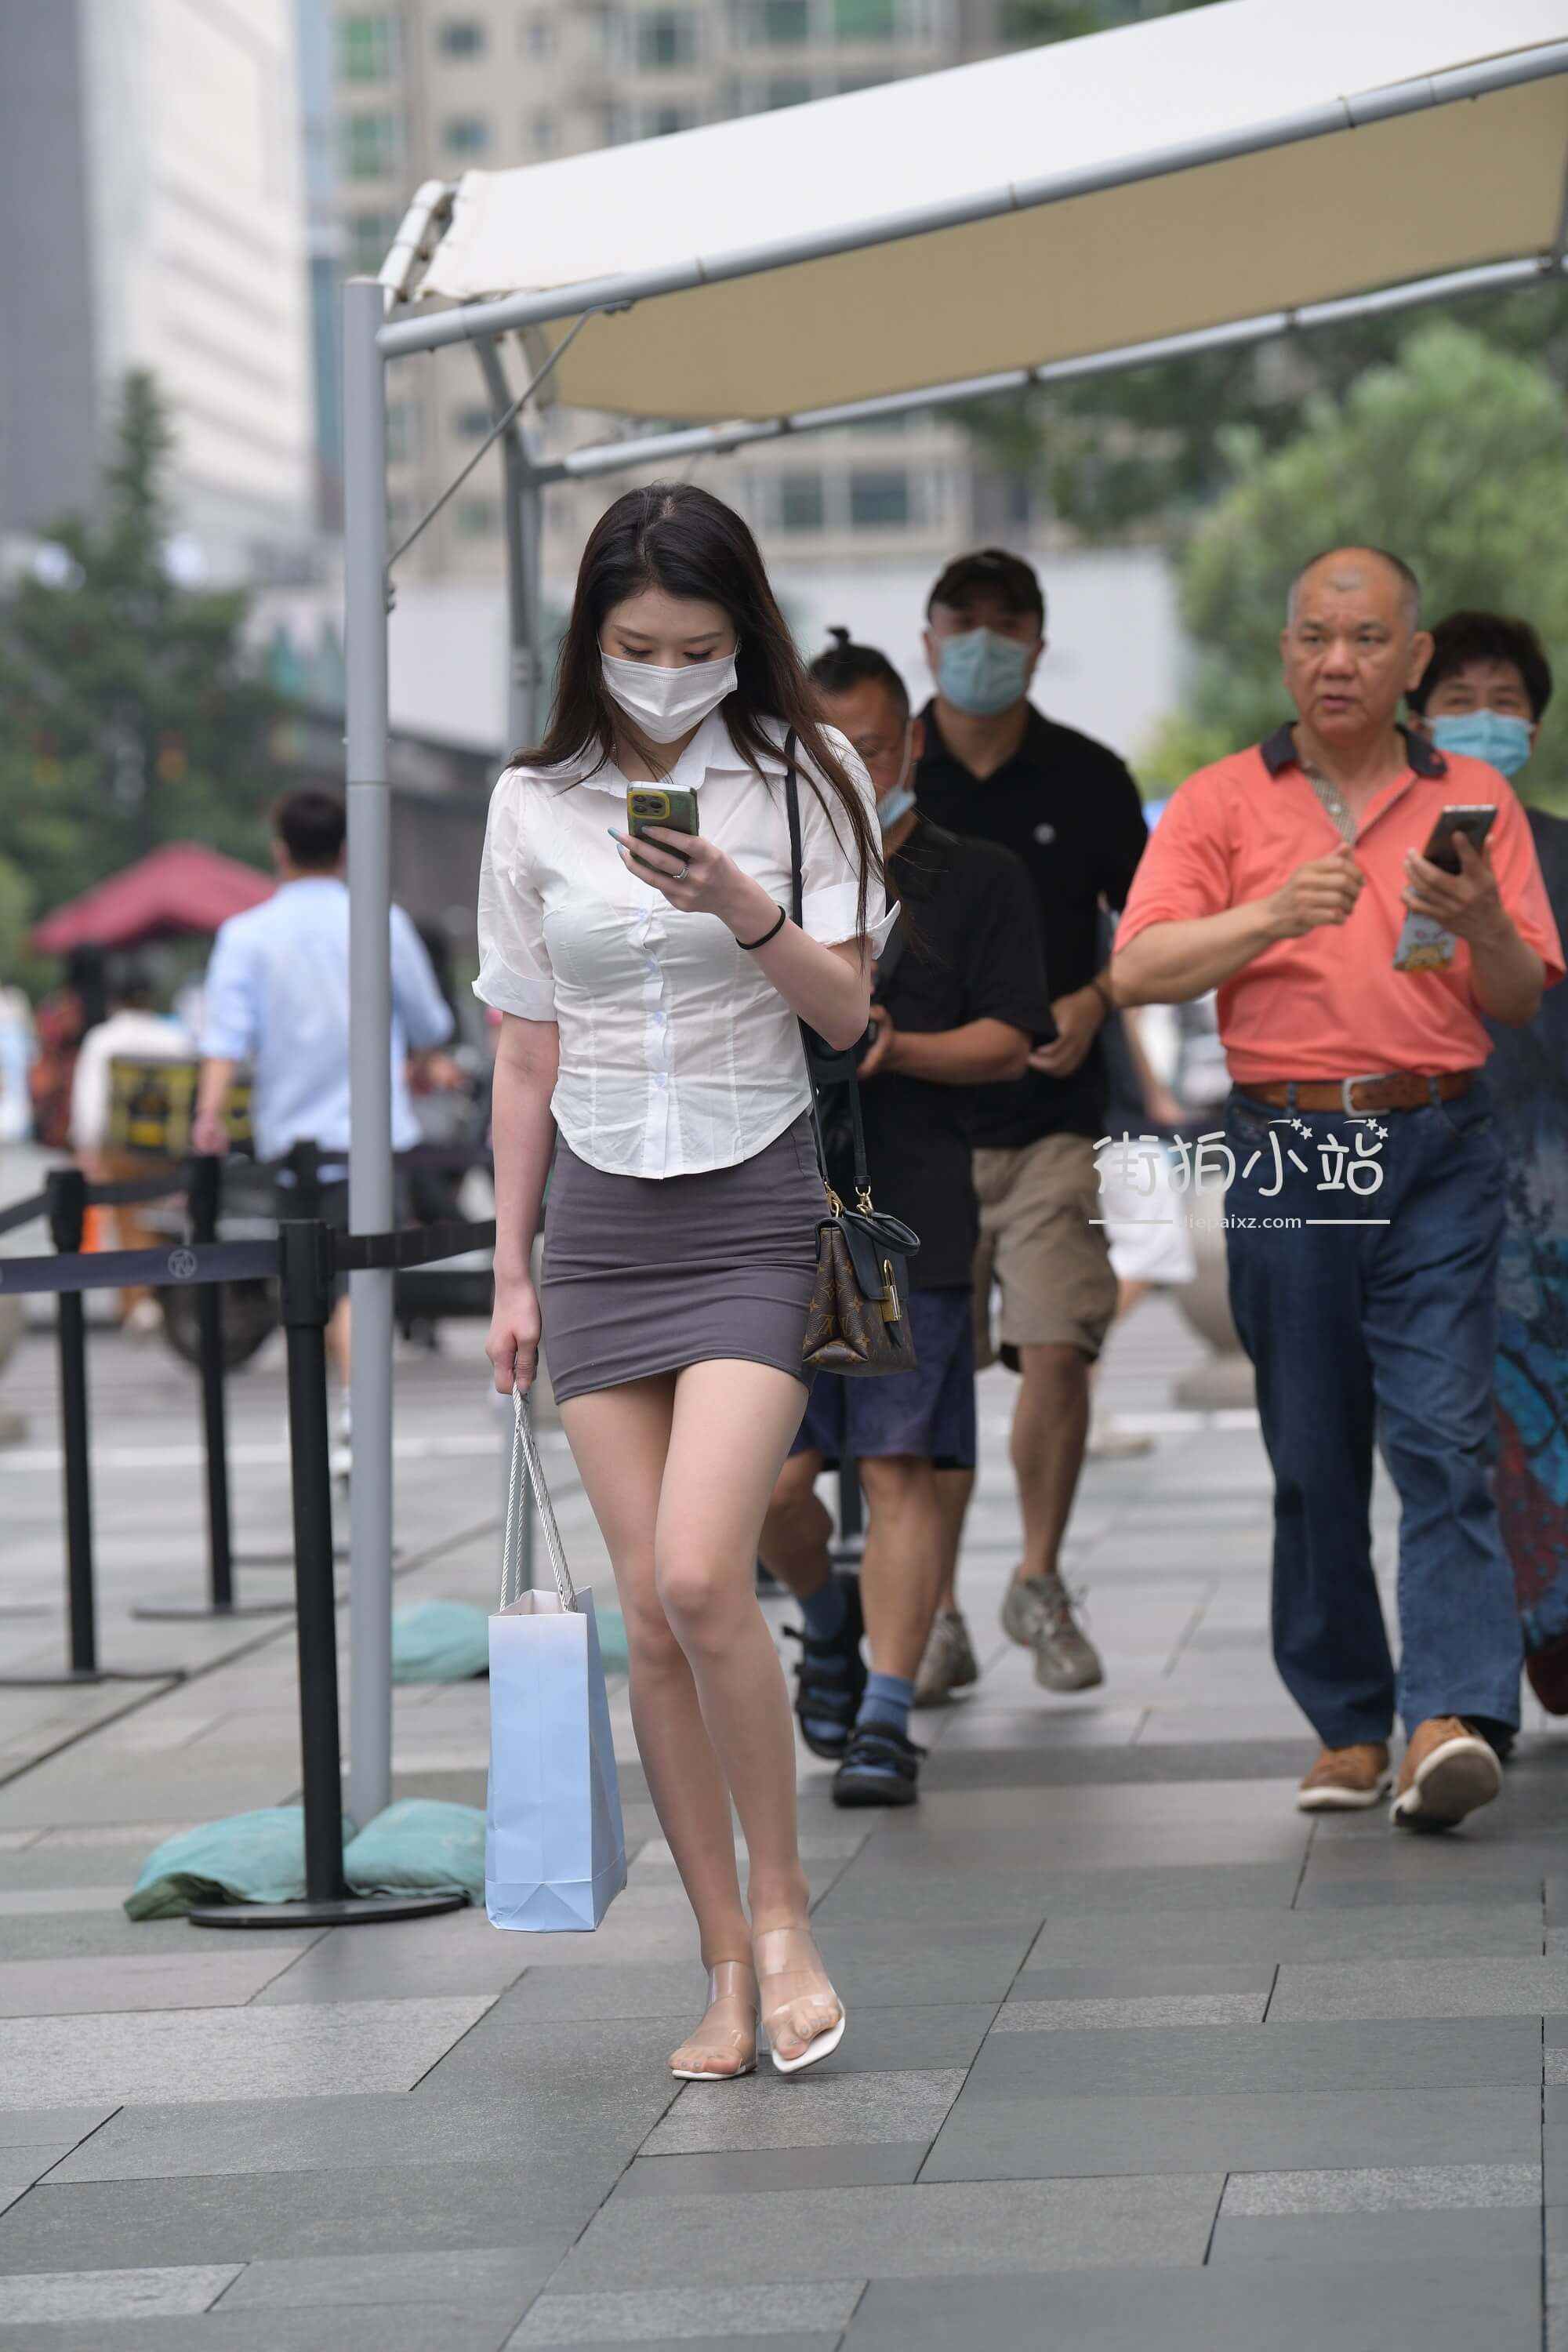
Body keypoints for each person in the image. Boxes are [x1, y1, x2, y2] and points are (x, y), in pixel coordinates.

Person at [480, 484, 891, 2081]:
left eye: (697, 645)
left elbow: (849, 1015)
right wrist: (510, 1270)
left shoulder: (808, 773)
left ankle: (788, 1923)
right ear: (591, 636)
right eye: (638, 645)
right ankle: (722, 1966)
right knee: (651, 1619)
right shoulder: (533, 803)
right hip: (596, 1228)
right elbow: (525, 1053)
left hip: (751, 1205)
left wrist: (740, 901)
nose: (666, 672)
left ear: (743, 636)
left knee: (707, 1575)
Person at [1112, 547, 1563, 1830]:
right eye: (1315, 637)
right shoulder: (1221, 800)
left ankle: (1449, 1715)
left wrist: (1480, 922)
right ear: (1286, 653)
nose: (1337, 662)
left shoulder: (1471, 794)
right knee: (1311, 1446)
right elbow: (1139, 969)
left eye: (1366, 640)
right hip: (1292, 1138)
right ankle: (1350, 1723)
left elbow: (1519, 994)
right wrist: (1270, 915)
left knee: (1445, 1435)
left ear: (1411, 660)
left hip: (1439, 1134)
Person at [757, 630, 1051, 1803]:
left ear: (911, 743)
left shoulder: (974, 877)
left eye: (871, 749)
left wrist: (899, 1047)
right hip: (767, 1213)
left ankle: (885, 1713)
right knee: (772, 1484)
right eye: (821, 752)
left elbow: (1013, 1040)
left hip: (900, 1216)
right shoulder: (754, 872)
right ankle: (826, 1621)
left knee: (893, 1469)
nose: (851, 770)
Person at [911, 547, 1149, 1703]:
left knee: (1058, 1345)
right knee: (930, 1377)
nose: (983, 643)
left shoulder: (1089, 778)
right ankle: (933, 1611)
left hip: (1052, 1120)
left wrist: (1097, 996)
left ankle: (1037, 1580)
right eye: (962, 621)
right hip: (916, 1129)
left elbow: (1155, 928)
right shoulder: (882, 770)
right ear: (926, 639)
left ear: (1038, 644)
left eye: (1006, 624)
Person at [1407, 612, 1568, 1715]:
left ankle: (1551, 1630)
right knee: (1460, 1420)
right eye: (1456, 700)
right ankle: (1488, 1656)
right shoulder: (1390, 854)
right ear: (1418, 722)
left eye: (1503, 701)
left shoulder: (1558, 849)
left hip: (1554, 1170)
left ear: (1536, 728)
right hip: (1436, 1165)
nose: (1481, 719)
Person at [192, 789, 454, 1460]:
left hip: (292, 1145)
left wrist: (209, 1116)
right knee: (362, 1282)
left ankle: (321, 1423)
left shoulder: (246, 934)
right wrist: (423, 1059)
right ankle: (355, 1412)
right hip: (375, 1141)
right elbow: (429, 1022)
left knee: (303, 1283)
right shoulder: (382, 922)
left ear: (279, 849)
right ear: (344, 850)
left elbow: (224, 1039)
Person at [69, 964, 191, 1334]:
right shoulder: (175, 1038)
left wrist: (87, 1148)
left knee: (126, 1222)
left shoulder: (103, 1039)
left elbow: (89, 1104)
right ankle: (157, 1294)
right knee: (161, 1221)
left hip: (120, 1151)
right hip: (168, 1152)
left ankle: (138, 1302)